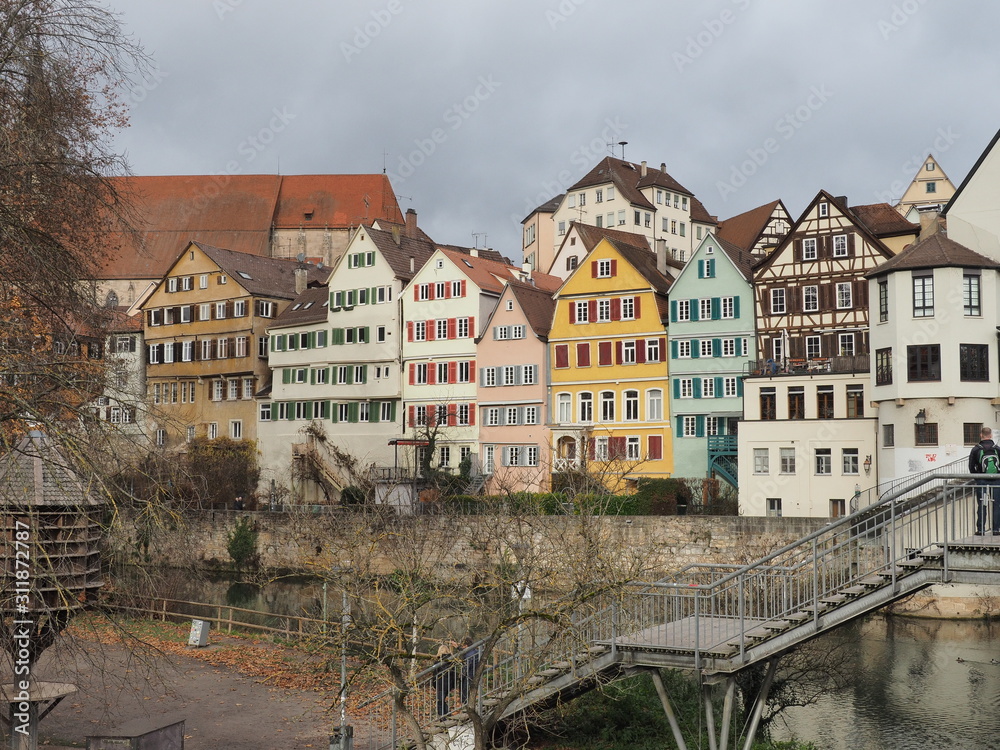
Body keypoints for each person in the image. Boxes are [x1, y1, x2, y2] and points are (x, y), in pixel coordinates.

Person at [969, 426, 1000, 535]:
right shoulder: (997, 448)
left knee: (982, 504)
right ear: (991, 435)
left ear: (981, 435)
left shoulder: (976, 449)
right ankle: (996, 529)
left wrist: (977, 477)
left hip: (981, 480)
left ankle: (981, 529)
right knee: (997, 504)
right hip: (996, 480)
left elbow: (971, 467)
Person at [435, 638, 457, 717]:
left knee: (440, 701)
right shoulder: (451, 661)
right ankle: (447, 714)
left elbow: (434, 675)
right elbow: (454, 674)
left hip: (440, 684)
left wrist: (434, 685)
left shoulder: (438, 662)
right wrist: (453, 685)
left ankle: (443, 717)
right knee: (442, 700)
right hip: (449, 684)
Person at [459, 636, 481, 705]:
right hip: (472, 673)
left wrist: (462, 674)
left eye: (462, 646)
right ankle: (467, 703)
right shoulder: (474, 651)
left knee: (465, 690)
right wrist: (457, 647)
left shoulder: (470, 654)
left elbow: (467, 665)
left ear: (466, 646)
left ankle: (465, 704)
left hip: (469, 674)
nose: (462, 647)